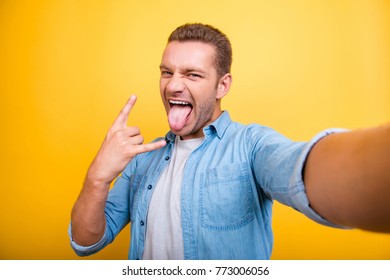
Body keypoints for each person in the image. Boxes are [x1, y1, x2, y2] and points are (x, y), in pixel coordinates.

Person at [69, 23, 390, 260]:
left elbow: (301, 169)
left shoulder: (251, 145)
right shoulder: (142, 158)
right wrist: (98, 177)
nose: (173, 86)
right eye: (167, 72)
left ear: (223, 85)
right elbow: (86, 242)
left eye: (192, 75)